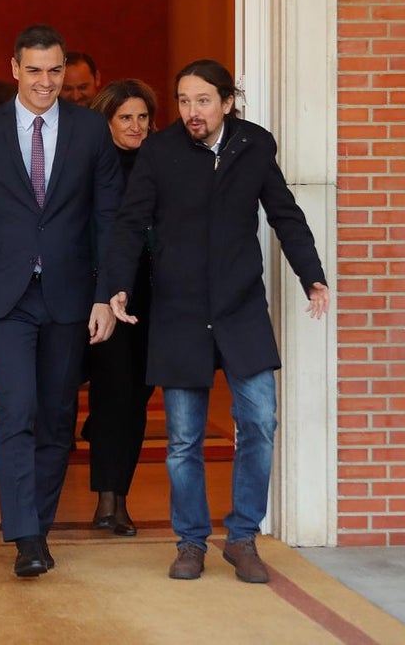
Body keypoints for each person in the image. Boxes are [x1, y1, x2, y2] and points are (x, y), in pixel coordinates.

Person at [105, 59, 330, 584]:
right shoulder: (159, 151)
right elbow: (129, 222)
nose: (191, 112)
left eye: (202, 100)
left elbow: (284, 212)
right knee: (184, 440)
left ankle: (243, 538)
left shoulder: (254, 145)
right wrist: (115, 284)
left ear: (227, 102)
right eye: (183, 101)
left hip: (240, 308)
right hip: (179, 313)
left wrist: (311, 275)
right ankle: (190, 543)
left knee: (260, 424)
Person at [0, 25, 124, 577]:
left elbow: (109, 220)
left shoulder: (92, 131)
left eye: (55, 70)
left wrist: (106, 296)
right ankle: (25, 537)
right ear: (14, 70)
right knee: (17, 410)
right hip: (3, 296)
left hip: (69, 295)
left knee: (58, 418)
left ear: (66, 71)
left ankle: (35, 527)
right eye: (34, 70)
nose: (45, 81)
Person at [82, 79, 158, 537]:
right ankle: (110, 501)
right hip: (104, 295)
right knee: (113, 394)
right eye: (125, 117)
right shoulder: (93, 166)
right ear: (107, 121)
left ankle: (116, 489)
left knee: (136, 397)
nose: (136, 126)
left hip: (152, 297)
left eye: (143, 117)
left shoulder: (162, 163)